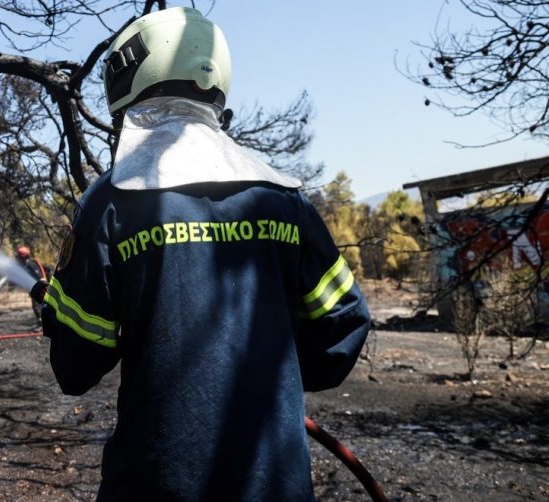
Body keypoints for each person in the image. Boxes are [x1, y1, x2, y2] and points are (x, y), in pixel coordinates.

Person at [32, 7, 371, 500]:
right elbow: (344, 321)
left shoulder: (109, 205)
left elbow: (76, 366)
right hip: (278, 485)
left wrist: (58, 313)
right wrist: (271, 379)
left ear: (126, 87)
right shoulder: (285, 199)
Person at [14, 245, 47, 322]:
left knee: (38, 306)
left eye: (19, 257)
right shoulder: (27, 264)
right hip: (36, 288)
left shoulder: (31, 264)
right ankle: (41, 321)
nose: (18, 259)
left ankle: (42, 321)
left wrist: (43, 288)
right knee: (37, 306)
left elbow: (40, 277)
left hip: (39, 289)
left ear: (23, 257)